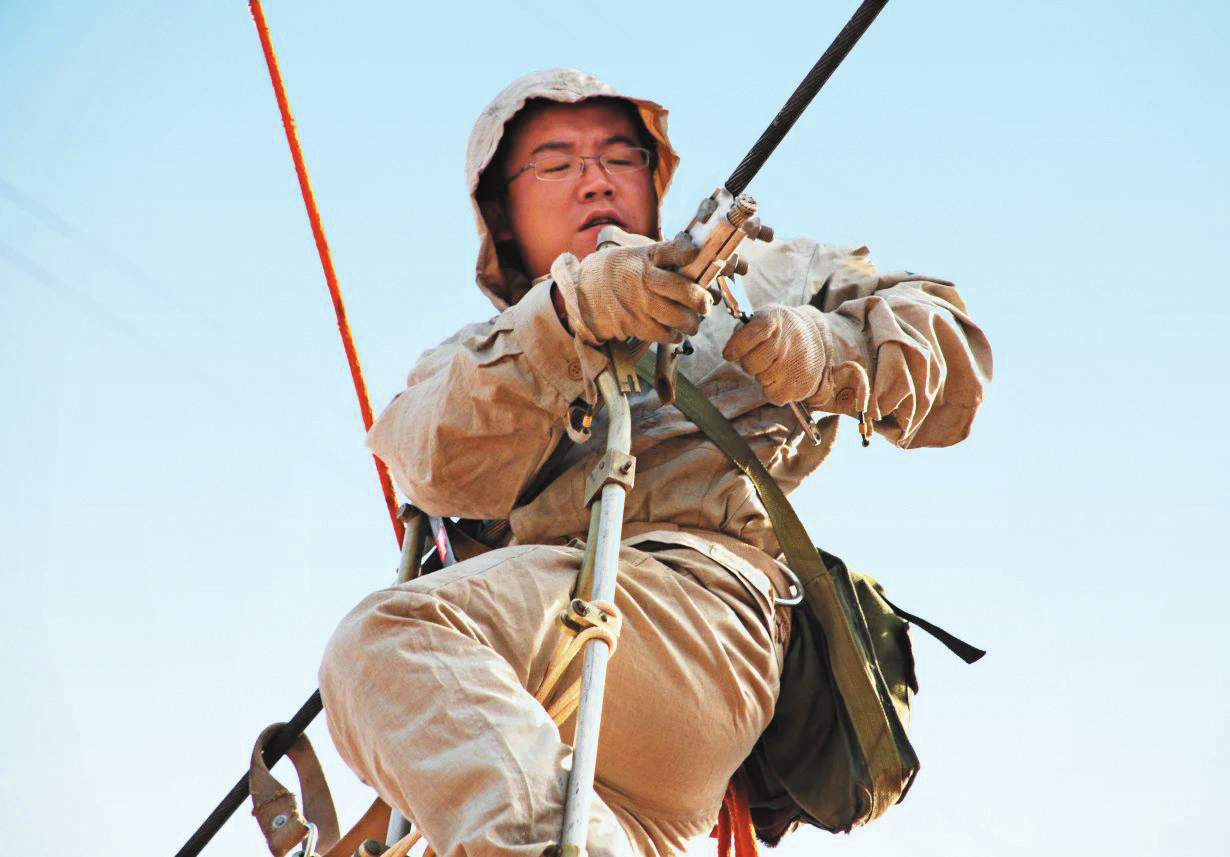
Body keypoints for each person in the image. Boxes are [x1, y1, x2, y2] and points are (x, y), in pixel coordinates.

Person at [318, 67, 992, 857]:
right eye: (556, 162)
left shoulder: (767, 271)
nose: (595, 179)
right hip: (542, 697)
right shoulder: (475, 355)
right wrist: (573, 314)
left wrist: (830, 350)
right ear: (503, 216)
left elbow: (954, 361)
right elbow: (432, 462)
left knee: (389, 642)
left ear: (651, 177)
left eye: (620, 156)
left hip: (701, 623)